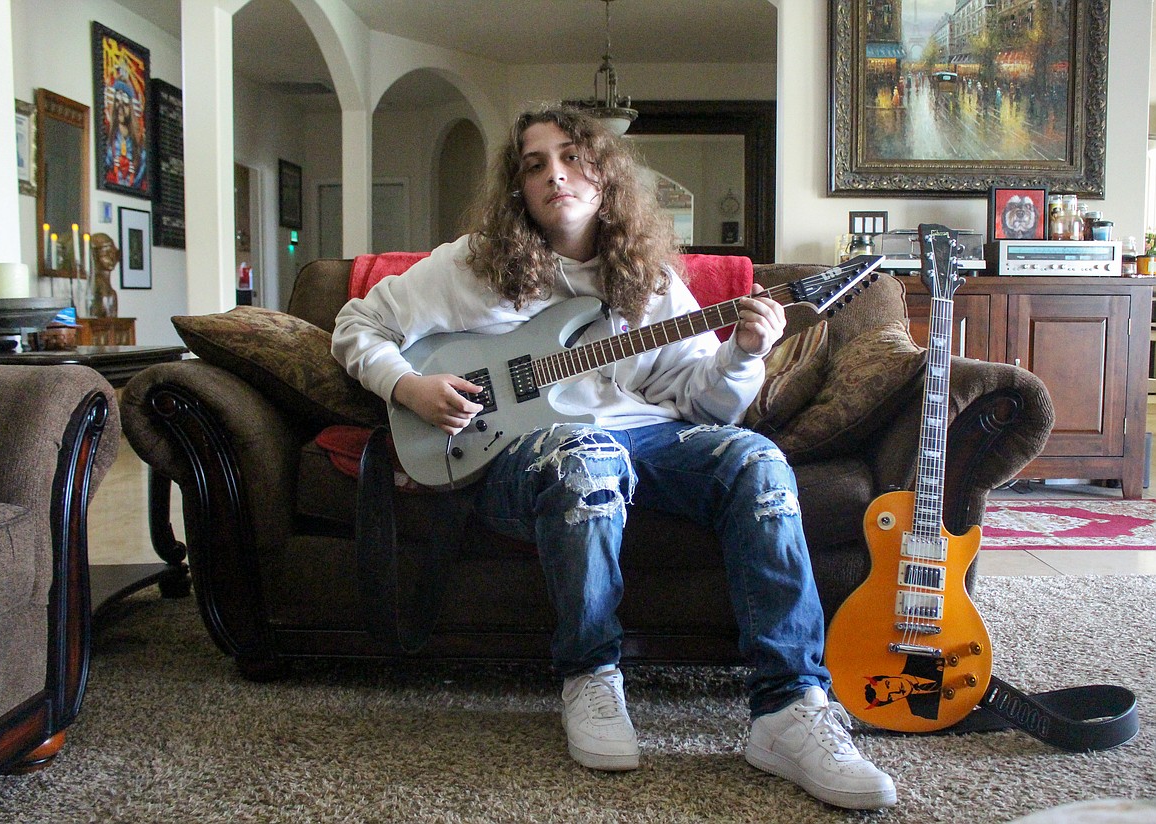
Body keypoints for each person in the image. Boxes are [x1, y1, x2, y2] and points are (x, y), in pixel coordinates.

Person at [331, 103, 896, 811]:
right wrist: (409, 386)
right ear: (517, 188)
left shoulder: (650, 280)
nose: (555, 175)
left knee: (756, 460)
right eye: (534, 165)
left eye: (571, 157)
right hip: (521, 453)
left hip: (647, 436)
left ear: (604, 175)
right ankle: (591, 674)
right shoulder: (469, 267)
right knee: (585, 455)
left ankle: (789, 708)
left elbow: (704, 405)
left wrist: (744, 354)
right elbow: (357, 325)